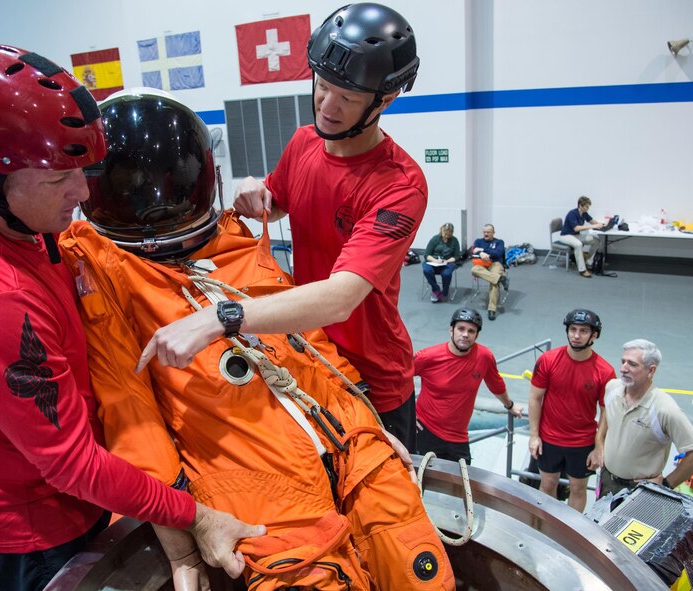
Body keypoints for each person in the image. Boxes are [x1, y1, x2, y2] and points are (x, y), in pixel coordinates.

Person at [59, 88, 455, 591]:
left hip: (345, 434)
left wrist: (364, 419)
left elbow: (307, 336)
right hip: (251, 476)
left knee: (420, 573)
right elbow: (128, 408)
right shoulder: (101, 270)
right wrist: (183, 538)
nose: (163, 204)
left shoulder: (232, 240)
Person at [0, 45, 261, 591]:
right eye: (57, 182)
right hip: (37, 530)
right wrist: (193, 515)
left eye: (83, 171)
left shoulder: (16, 219)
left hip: (73, 489)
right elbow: (73, 467)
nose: (82, 193)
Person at [141, 3, 425, 451]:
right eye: (323, 87)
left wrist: (222, 318)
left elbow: (340, 298)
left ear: (384, 100)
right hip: (305, 350)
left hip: (372, 376)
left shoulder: (399, 186)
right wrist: (252, 191)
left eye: (347, 99)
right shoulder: (304, 142)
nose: (327, 107)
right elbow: (274, 203)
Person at [527, 309, 616, 512]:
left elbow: (606, 410)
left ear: (594, 335)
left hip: (582, 442)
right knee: (547, 483)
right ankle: (546, 526)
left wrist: (599, 446)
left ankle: (569, 532)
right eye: (573, 329)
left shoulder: (605, 371)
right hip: (549, 438)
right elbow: (535, 397)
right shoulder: (548, 360)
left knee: (578, 488)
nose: (576, 335)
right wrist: (534, 435)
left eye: (583, 331)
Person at [596, 340, 693, 499]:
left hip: (640, 491)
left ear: (651, 370)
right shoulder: (612, 388)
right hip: (607, 481)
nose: (623, 368)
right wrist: (599, 441)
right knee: (600, 524)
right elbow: (607, 411)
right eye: (623, 361)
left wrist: (666, 485)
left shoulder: (664, 409)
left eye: (632, 364)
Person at [415, 308, 523, 463]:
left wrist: (509, 405)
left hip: (458, 436)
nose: (465, 334)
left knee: (462, 484)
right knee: (419, 482)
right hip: (426, 430)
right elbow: (398, 378)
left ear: (476, 335)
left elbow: (496, 384)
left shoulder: (484, 357)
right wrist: (409, 413)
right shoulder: (428, 357)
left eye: (471, 331)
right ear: (451, 330)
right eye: (461, 329)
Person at [468, 223, 507, 320]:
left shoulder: (499, 242)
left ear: (493, 233)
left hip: (495, 264)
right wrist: (481, 253)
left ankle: (492, 310)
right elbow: (472, 251)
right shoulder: (478, 241)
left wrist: (482, 250)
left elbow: (498, 253)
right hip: (482, 265)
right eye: (484, 232)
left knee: (494, 284)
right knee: (474, 270)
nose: (486, 234)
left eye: (488, 232)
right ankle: (500, 278)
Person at [560, 195, 604, 278]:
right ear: (580, 205)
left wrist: (600, 224)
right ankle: (582, 270)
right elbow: (576, 228)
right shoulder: (572, 213)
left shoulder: (584, 213)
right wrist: (593, 226)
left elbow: (592, 221)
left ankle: (589, 262)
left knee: (596, 241)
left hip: (575, 235)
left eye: (588, 206)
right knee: (578, 244)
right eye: (586, 206)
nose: (588, 208)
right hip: (566, 236)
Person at [422, 223, 461, 303]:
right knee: (427, 270)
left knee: (446, 274)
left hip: (447, 262)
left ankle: (445, 291)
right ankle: (436, 289)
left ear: (452, 233)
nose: (446, 235)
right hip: (433, 261)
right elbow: (427, 255)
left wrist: (447, 261)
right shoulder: (435, 239)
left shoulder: (454, 240)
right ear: (441, 230)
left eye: (448, 233)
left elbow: (456, 256)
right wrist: (435, 261)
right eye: (445, 233)